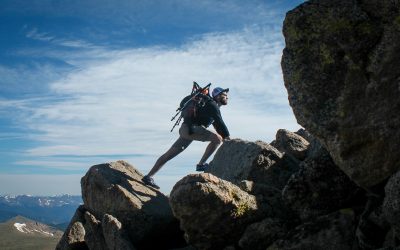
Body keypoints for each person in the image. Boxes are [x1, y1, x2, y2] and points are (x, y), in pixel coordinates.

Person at [142, 87, 231, 189]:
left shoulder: (210, 105)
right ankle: (201, 164)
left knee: (169, 155)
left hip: (186, 130)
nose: (227, 97)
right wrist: (228, 139)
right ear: (218, 96)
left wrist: (225, 136)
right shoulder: (212, 105)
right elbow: (220, 123)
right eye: (225, 95)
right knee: (217, 139)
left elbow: (217, 125)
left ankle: (148, 176)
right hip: (191, 129)